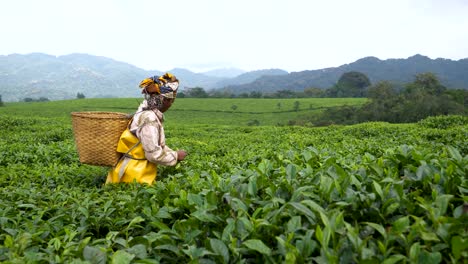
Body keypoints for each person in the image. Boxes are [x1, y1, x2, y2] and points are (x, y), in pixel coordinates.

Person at [106, 73, 187, 185]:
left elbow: (155, 145)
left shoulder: (144, 112)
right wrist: (176, 156)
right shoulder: (149, 118)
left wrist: (172, 153)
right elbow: (153, 154)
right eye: (171, 101)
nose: (170, 104)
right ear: (165, 100)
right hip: (134, 176)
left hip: (133, 171)